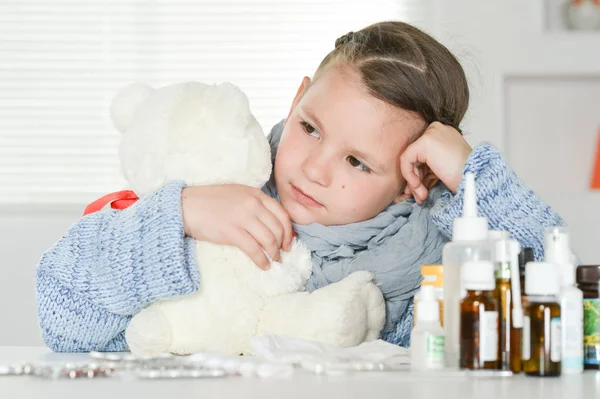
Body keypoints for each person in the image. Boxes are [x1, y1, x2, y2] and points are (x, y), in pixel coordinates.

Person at [35, 21, 565, 352]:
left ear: (412, 180)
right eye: (309, 128)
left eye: (357, 162)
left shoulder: (423, 274)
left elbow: (556, 302)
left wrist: (470, 174)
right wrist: (181, 213)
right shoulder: (219, 179)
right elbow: (63, 319)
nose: (314, 169)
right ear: (296, 100)